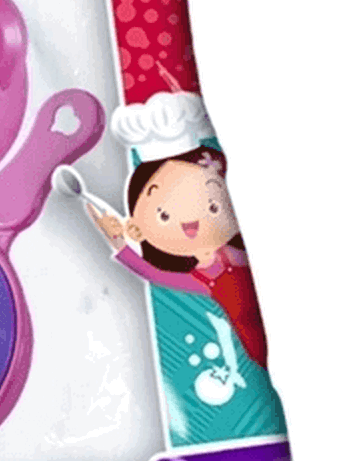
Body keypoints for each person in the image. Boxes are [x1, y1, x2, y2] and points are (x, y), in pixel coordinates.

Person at [92, 143, 269, 369]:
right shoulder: (203, 278)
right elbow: (154, 273)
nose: (190, 224)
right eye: (164, 215)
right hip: (253, 345)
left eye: (212, 207)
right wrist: (120, 243)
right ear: (138, 228)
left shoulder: (238, 251)